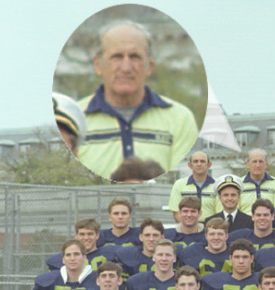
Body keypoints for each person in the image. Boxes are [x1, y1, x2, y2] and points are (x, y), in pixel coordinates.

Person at [75, 20, 197, 177]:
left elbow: (181, 179)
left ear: (150, 66)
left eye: (135, 57)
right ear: (98, 64)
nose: (126, 68)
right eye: (117, 57)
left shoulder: (180, 119)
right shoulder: (74, 119)